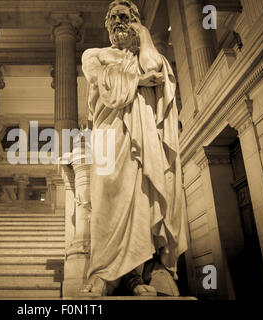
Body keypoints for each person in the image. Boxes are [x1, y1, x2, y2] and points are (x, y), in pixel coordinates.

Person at [81, 0, 188, 296]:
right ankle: (105, 272)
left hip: (143, 135)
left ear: (135, 22)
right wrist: (140, 81)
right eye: (113, 17)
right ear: (106, 24)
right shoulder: (95, 54)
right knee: (106, 199)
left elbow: (155, 66)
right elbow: (99, 79)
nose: (118, 22)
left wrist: (144, 36)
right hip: (107, 132)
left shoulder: (144, 54)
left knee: (142, 197)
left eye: (125, 17)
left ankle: (140, 274)